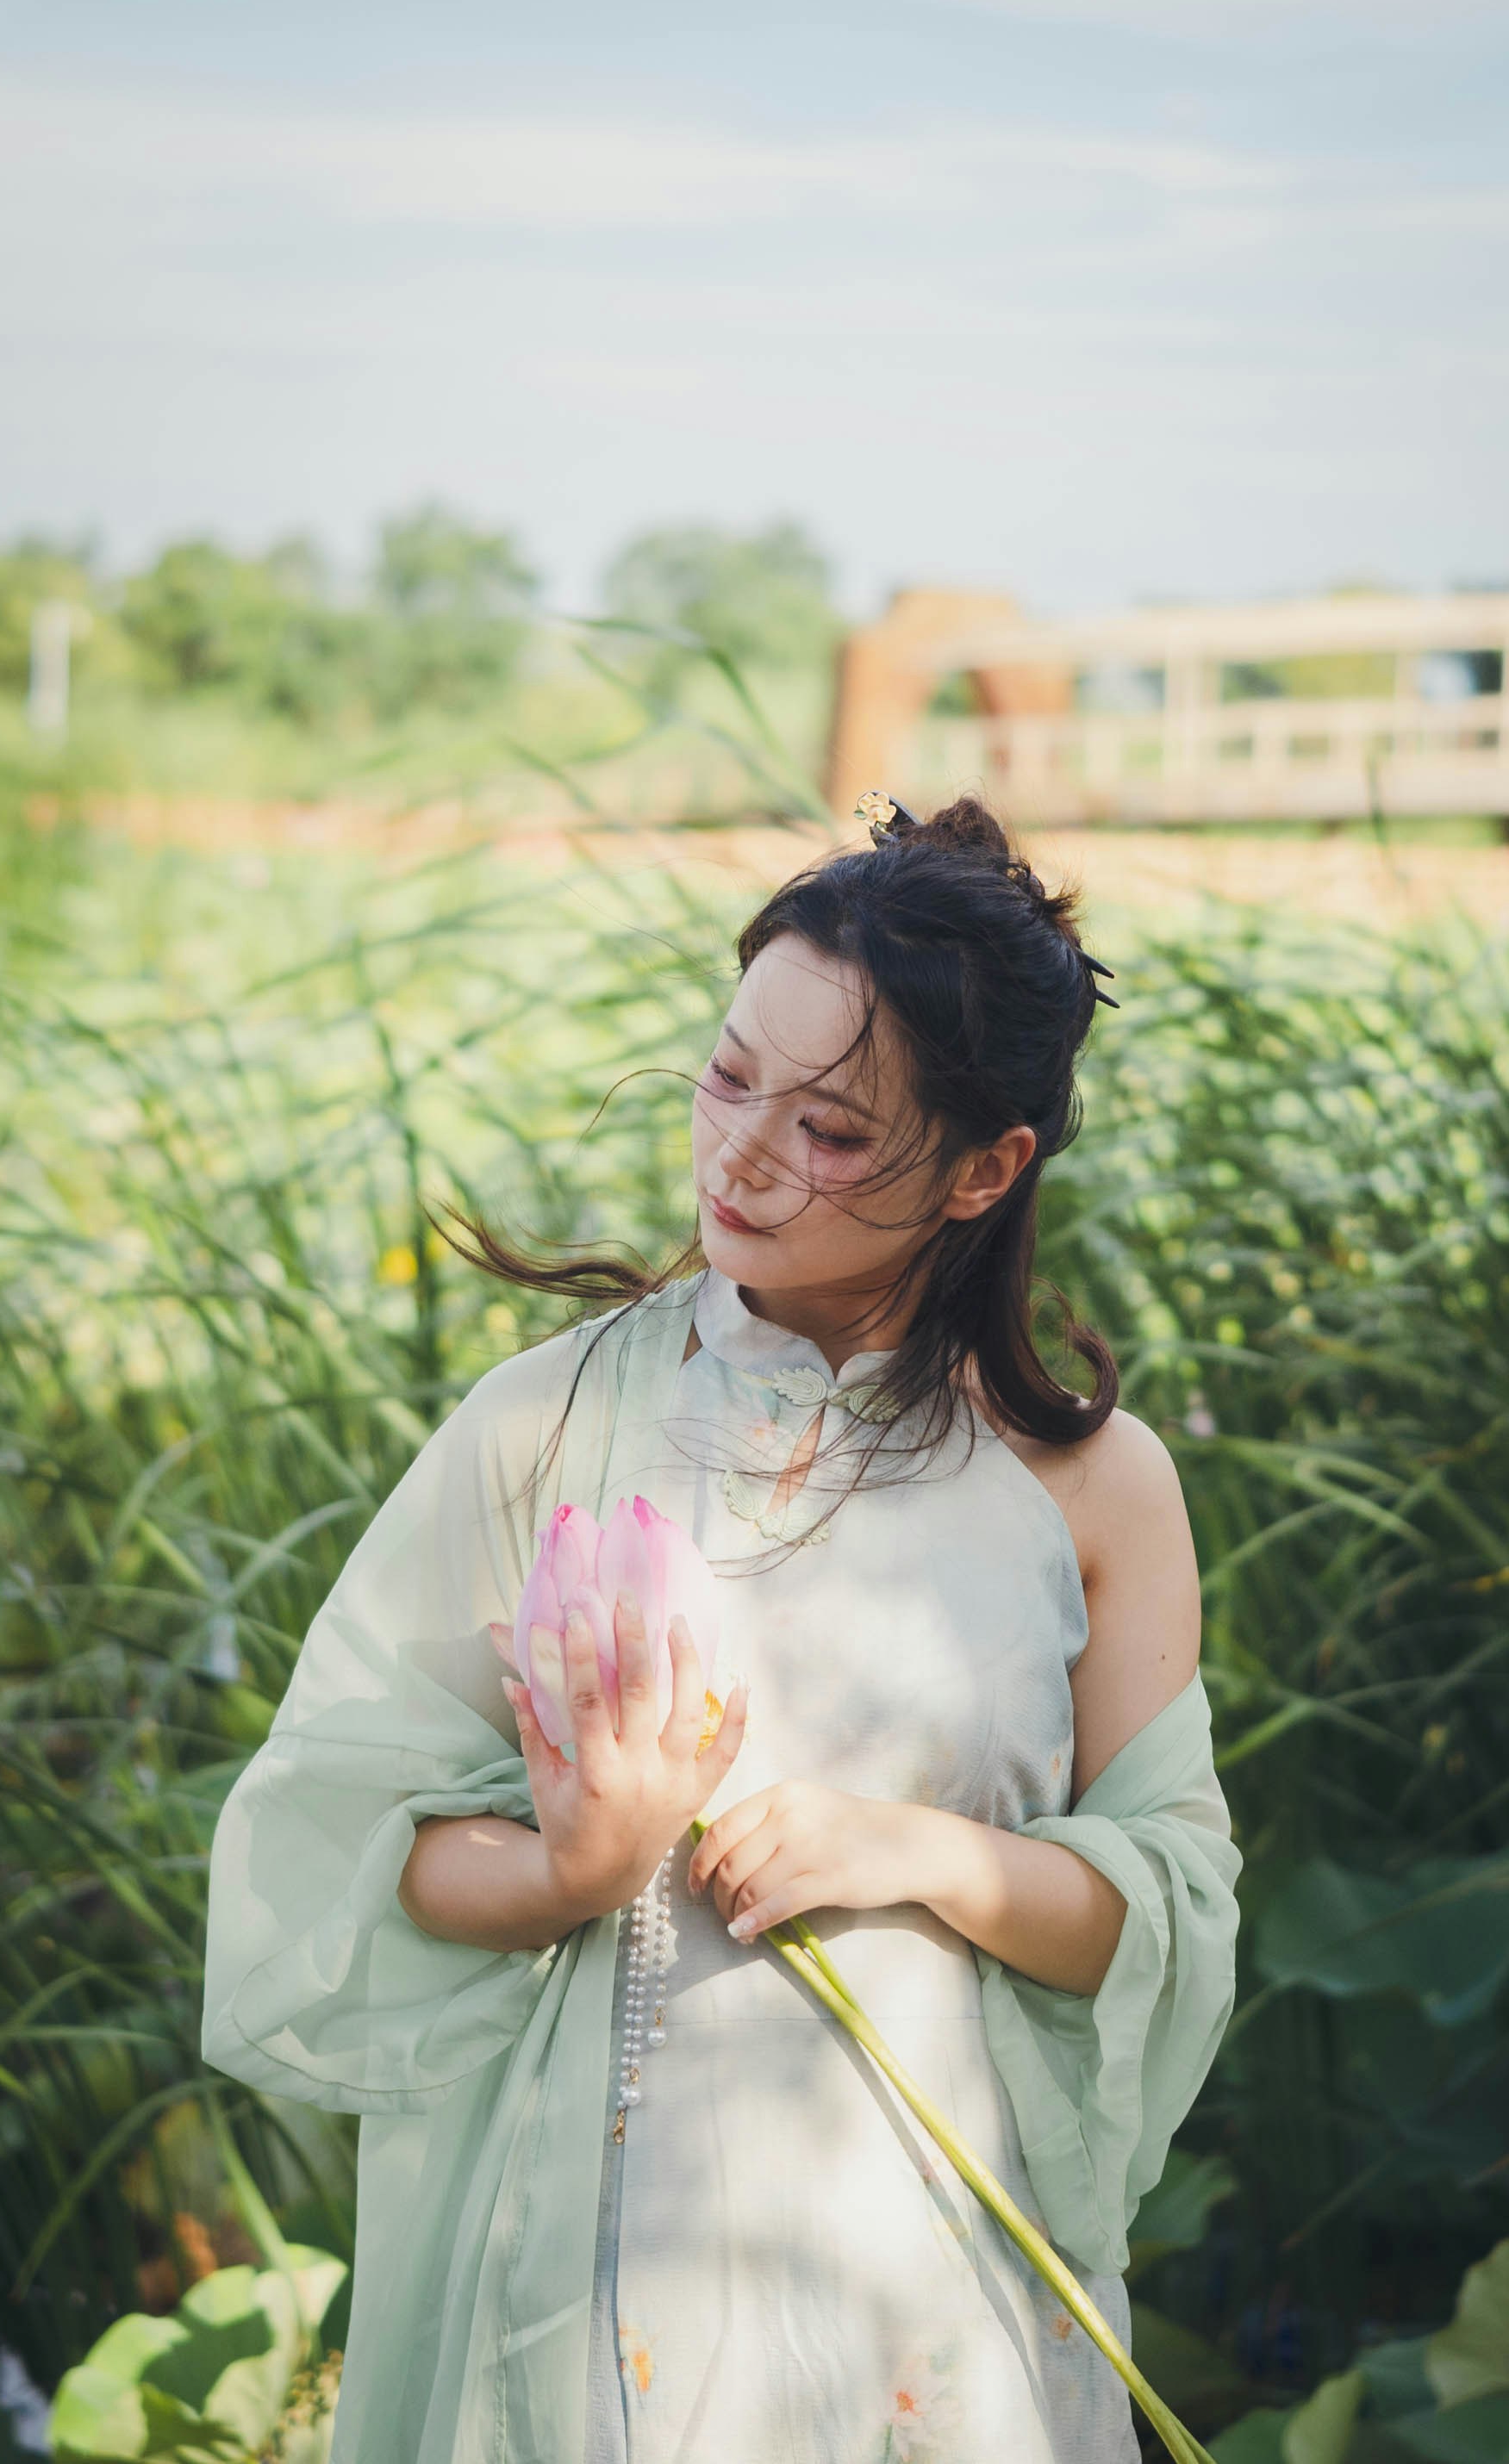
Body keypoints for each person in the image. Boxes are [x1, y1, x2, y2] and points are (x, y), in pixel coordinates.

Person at [203, 799, 1237, 2464]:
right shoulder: (543, 1426)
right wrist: (573, 1871)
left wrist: (917, 1851)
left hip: (922, 2276)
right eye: (730, 1076)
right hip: (592, 2268)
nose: (742, 1154)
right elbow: (354, 1824)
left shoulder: (1096, 1488)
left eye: (831, 1130)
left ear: (985, 1169)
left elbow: (1163, 1913)